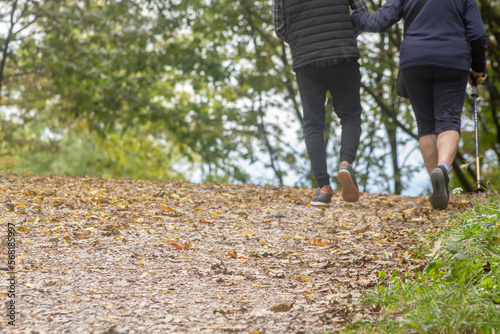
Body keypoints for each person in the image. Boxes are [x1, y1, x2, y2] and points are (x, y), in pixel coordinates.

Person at [351, 0, 487, 210]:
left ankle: (438, 189)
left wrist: (352, 15)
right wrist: (477, 68)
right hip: (452, 59)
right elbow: (478, 34)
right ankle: (442, 168)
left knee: (425, 125)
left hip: (414, 60)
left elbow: (379, 22)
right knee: (448, 121)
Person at [272, 0, 368, 206]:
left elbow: (279, 27)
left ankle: (323, 188)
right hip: (342, 54)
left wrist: (301, 42)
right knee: (350, 115)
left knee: (313, 124)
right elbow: (363, 12)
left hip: (307, 61)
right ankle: (345, 163)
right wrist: (345, 34)